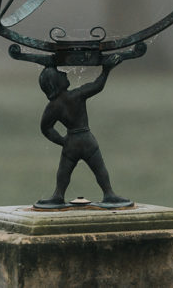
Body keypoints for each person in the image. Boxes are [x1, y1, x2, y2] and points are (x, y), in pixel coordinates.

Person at [35, 56, 132, 209]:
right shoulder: (76, 95)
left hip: (71, 142)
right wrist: (106, 71)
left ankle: (58, 195)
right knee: (99, 168)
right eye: (60, 74)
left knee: (63, 172)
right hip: (86, 139)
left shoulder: (53, 106)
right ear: (55, 82)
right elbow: (97, 85)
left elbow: (45, 128)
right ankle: (109, 193)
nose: (65, 74)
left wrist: (62, 141)